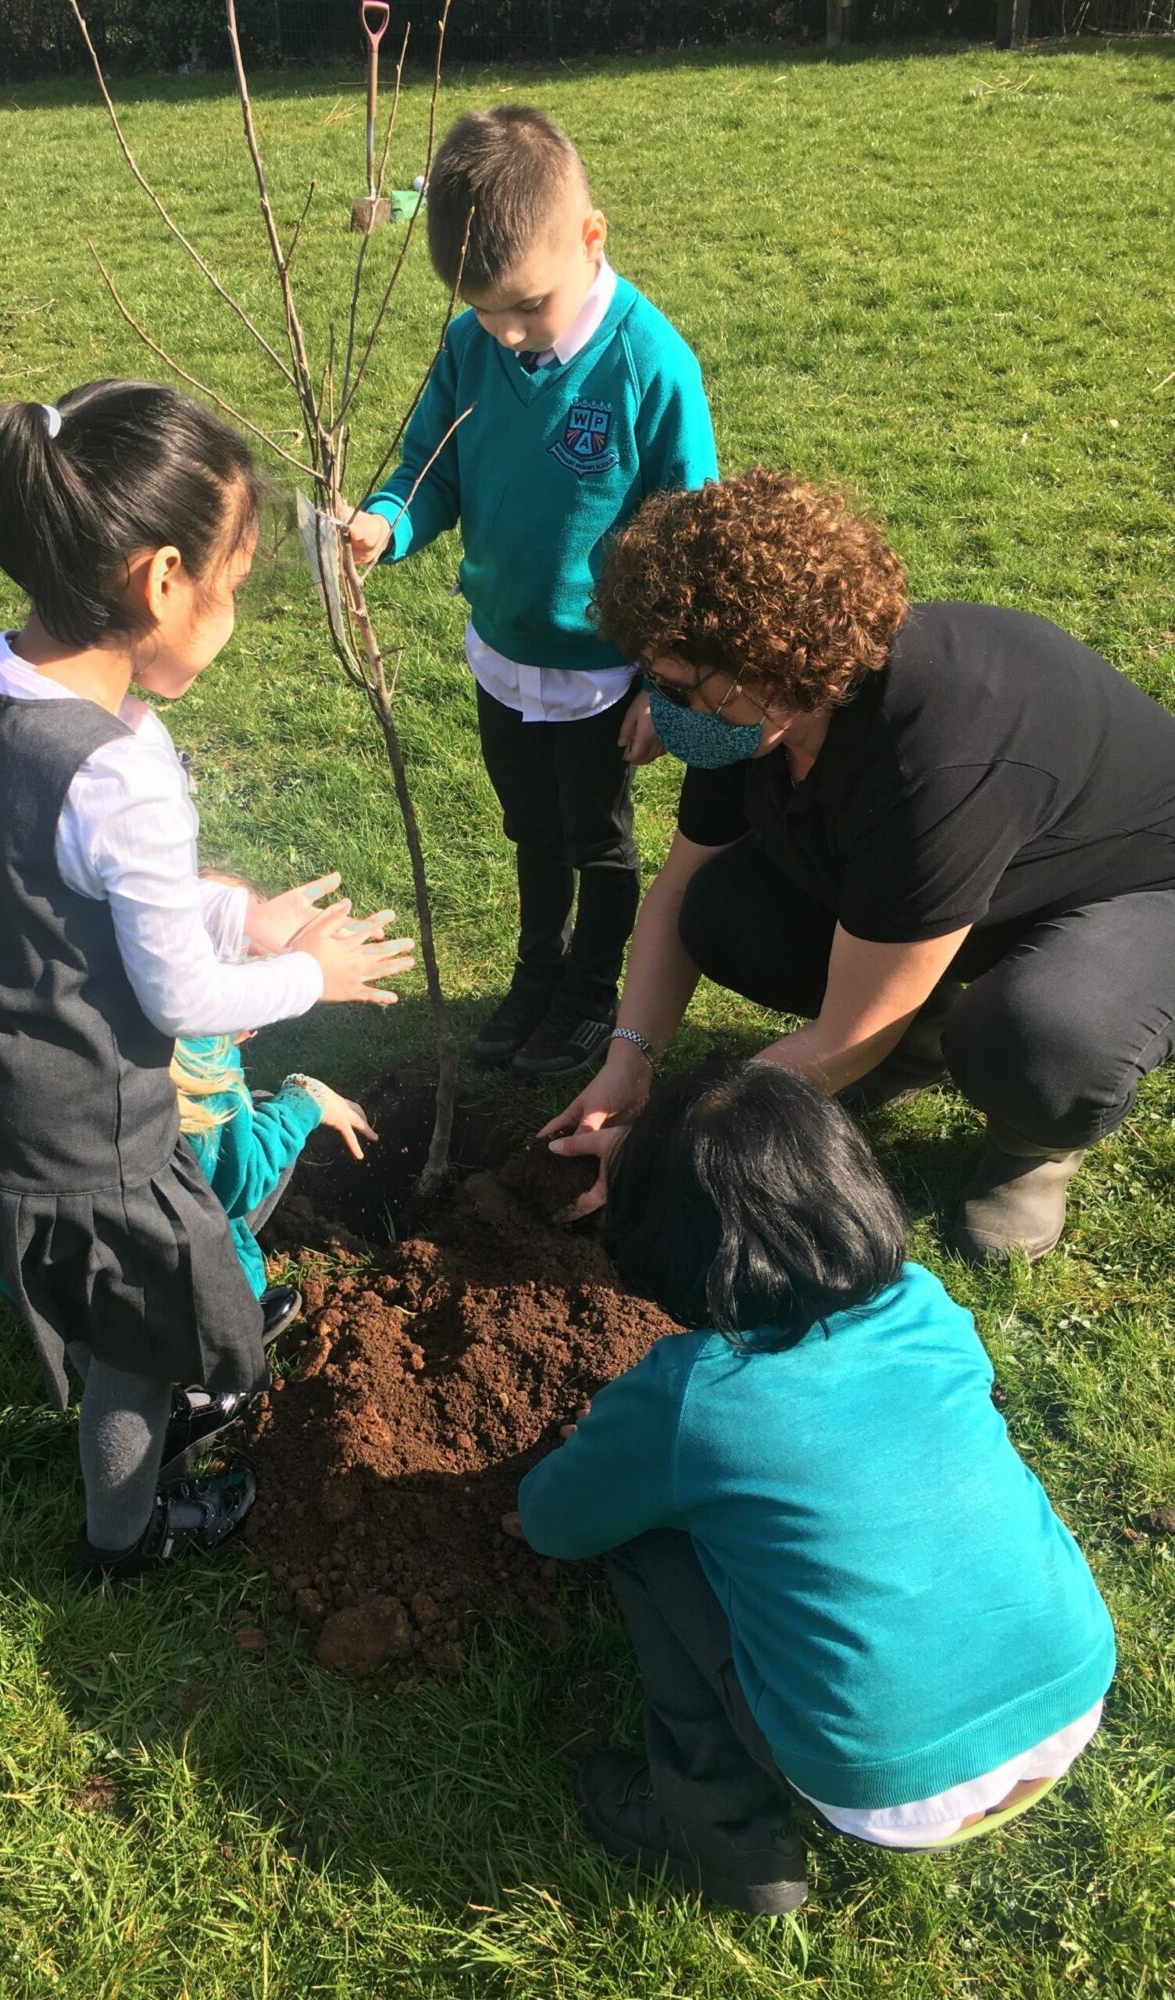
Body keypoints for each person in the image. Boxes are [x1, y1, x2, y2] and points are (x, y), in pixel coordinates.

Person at [0, 379, 413, 1582]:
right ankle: (126, 1533)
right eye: (230, 590)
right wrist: (303, 972)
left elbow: (66, 895)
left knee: (102, 1308)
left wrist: (236, 910)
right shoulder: (121, 769)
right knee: (137, 1345)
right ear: (163, 579)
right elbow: (181, 1003)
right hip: (78, 1134)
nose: (229, 616)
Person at [517, 1060, 1115, 1914]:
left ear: (657, 1246)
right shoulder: (926, 1304)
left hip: (877, 1778)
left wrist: (615, 1469)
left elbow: (552, 1522)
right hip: (1072, 1689)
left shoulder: (690, 1398)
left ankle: (722, 1838)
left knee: (641, 1539)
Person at [543, 470, 1175, 1261]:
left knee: (1039, 1038)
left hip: (1139, 890)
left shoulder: (930, 760)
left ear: (771, 665)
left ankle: (1030, 1143)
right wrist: (628, 1059)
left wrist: (667, 1146)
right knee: (723, 911)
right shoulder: (740, 708)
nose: (659, 708)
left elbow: (851, 1028)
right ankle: (922, 1039)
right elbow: (675, 891)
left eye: (674, 685)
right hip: (964, 868)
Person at [346, 106, 718, 1078]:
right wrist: (388, 519)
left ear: (592, 238)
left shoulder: (651, 367)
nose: (508, 333)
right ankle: (536, 971)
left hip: (604, 675)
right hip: (503, 655)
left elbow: (688, 547)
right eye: (487, 312)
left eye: (527, 308)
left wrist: (663, 681)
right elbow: (432, 459)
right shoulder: (473, 346)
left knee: (596, 838)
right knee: (530, 828)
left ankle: (592, 991)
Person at [172, 1034, 376, 1296]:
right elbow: (239, 1178)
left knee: (258, 1103)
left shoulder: (123, 1050)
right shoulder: (194, 1064)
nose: (253, 1032)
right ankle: (240, 1297)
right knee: (258, 1134)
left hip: (119, 1257)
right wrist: (307, 1100)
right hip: (184, 1297)